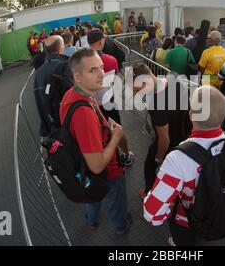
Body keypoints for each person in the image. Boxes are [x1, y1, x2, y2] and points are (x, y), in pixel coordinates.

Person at [143, 86, 225, 246]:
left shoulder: (178, 158)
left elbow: (152, 214)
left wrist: (169, 209)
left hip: (187, 223)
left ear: (191, 115)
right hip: (222, 210)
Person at [60, 48, 132, 234]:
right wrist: (116, 137)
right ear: (77, 76)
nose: (102, 73)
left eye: (101, 67)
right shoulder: (83, 113)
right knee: (116, 204)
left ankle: (91, 220)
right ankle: (121, 226)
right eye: (93, 70)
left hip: (84, 168)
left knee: (92, 195)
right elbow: (98, 166)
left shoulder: (73, 95)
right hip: (107, 173)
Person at [130, 63, 189, 198]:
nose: (135, 93)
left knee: (149, 166)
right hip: (186, 134)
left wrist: (158, 158)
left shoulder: (155, 103)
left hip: (172, 142)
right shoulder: (174, 76)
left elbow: (164, 139)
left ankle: (149, 193)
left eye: (135, 89)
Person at [87, 29, 134, 167]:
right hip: (108, 102)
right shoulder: (110, 60)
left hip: (91, 105)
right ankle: (126, 155)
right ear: (101, 42)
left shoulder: (82, 61)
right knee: (117, 130)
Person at [33, 36, 68, 137]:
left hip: (52, 129)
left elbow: (40, 101)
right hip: (69, 125)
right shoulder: (67, 66)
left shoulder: (39, 73)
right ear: (61, 48)